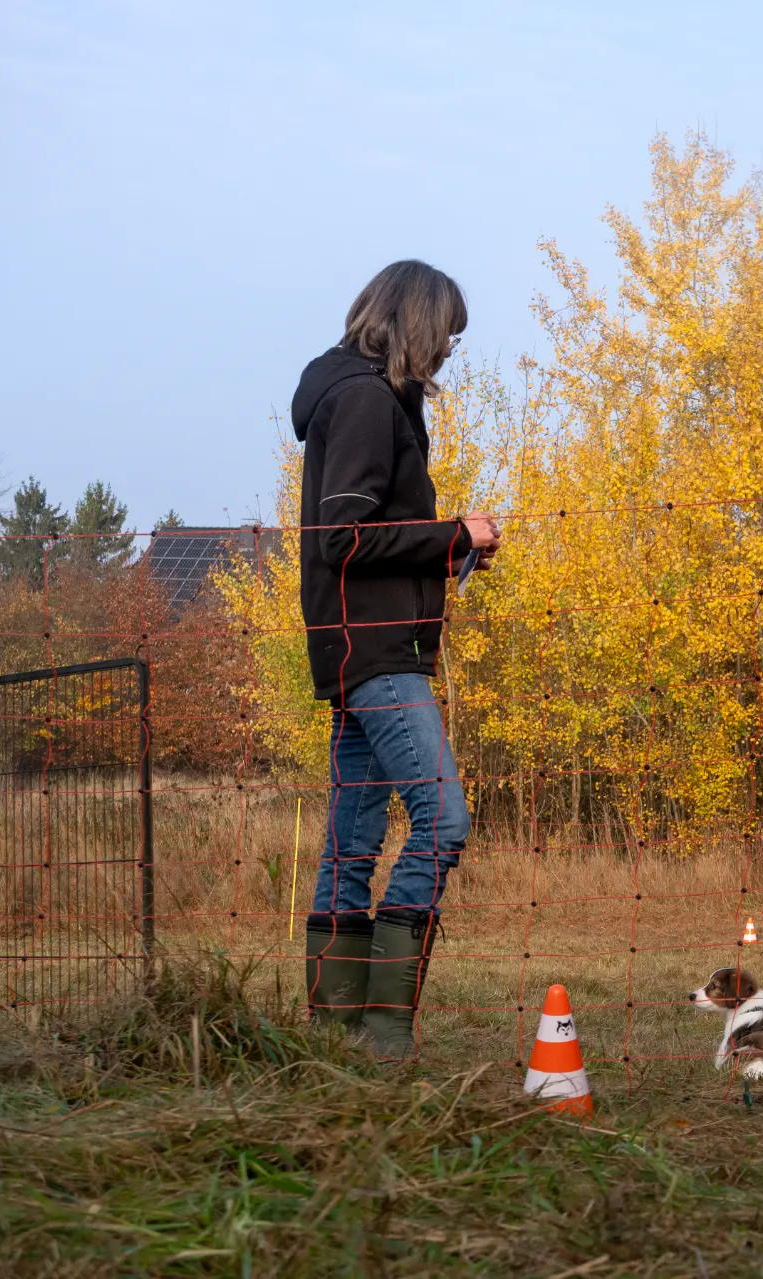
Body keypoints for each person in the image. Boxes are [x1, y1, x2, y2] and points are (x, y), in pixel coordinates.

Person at [292, 260, 500, 1058]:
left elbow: (361, 536)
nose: (450, 347)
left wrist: (446, 555)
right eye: (446, 330)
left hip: (365, 642)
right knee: (444, 821)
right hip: (376, 652)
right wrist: (453, 533)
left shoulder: (366, 398)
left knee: (352, 835)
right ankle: (381, 1033)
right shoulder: (363, 402)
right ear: (415, 321)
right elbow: (340, 537)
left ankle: (337, 1041)